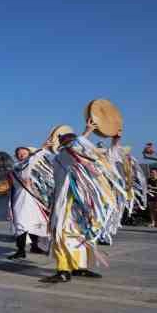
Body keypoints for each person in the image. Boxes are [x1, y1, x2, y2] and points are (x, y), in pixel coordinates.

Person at [42, 119, 125, 283]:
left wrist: (116, 139)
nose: (74, 144)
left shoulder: (89, 157)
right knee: (62, 234)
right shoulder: (61, 157)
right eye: (69, 141)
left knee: (84, 235)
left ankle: (80, 267)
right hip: (66, 203)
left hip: (86, 206)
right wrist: (87, 131)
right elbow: (74, 148)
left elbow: (110, 157)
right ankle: (63, 269)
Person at [6, 146, 53, 260]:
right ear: (16, 156)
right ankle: (21, 250)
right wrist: (44, 148)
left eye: (24, 153)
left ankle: (35, 246)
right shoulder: (17, 167)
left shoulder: (31, 168)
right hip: (20, 200)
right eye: (19, 154)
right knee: (21, 224)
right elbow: (29, 163)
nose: (21, 155)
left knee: (35, 223)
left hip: (33, 200)